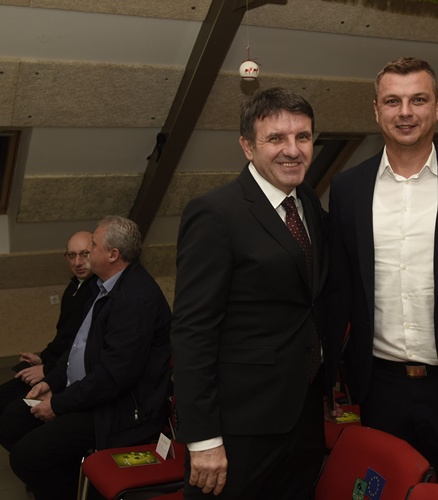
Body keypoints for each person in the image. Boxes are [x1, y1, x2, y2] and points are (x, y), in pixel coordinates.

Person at [325, 57, 438, 490]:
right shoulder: (347, 188)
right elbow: (339, 291)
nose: (405, 112)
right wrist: (327, 383)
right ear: (375, 110)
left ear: (437, 107)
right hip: (378, 387)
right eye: (392, 101)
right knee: (383, 491)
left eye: (418, 100)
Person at [171, 87, 333, 499]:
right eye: (276, 138)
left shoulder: (309, 204)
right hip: (238, 427)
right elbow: (192, 332)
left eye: (302, 136)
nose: (292, 150)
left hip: (303, 416)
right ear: (247, 146)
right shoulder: (215, 213)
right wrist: (203, 439)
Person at [0, 215, 172, 500]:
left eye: (93, 244)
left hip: (117, 409)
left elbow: (113, 378)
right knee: (12, 423)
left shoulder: (135, 299)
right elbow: (77, 346)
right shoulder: (103, 285)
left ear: (113, 254)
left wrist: (59, 403)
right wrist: (52, 381)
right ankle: (69, 477)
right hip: (87, 391)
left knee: (25, 457)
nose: (88, 251)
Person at [0, 231, 96, 413]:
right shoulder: (73, 287)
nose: (77, 262)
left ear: (97, 252)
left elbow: (82, 348)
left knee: (13, 414)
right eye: (72, 255)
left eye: (84, 254)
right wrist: (41, 359)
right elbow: (63, 338)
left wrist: (47, 369)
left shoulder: (96, 292)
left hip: (66, 376)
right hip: (52, 366)